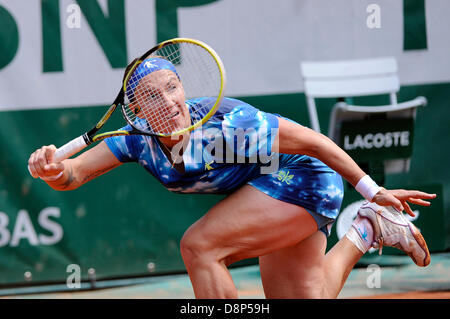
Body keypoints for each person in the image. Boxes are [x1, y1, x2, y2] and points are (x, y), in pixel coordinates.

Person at [28, 57, 436, 298]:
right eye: (153, 96)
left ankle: (371, 209)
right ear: (135, 111)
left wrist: (373, 188)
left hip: (304, 175)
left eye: (173, 87)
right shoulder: (135, 140)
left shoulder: (229, 127)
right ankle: (366, 229)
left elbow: (314, 143)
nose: (169, 102)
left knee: (200, 246)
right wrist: (51, 170)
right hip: (265, 189)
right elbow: (72, 175)